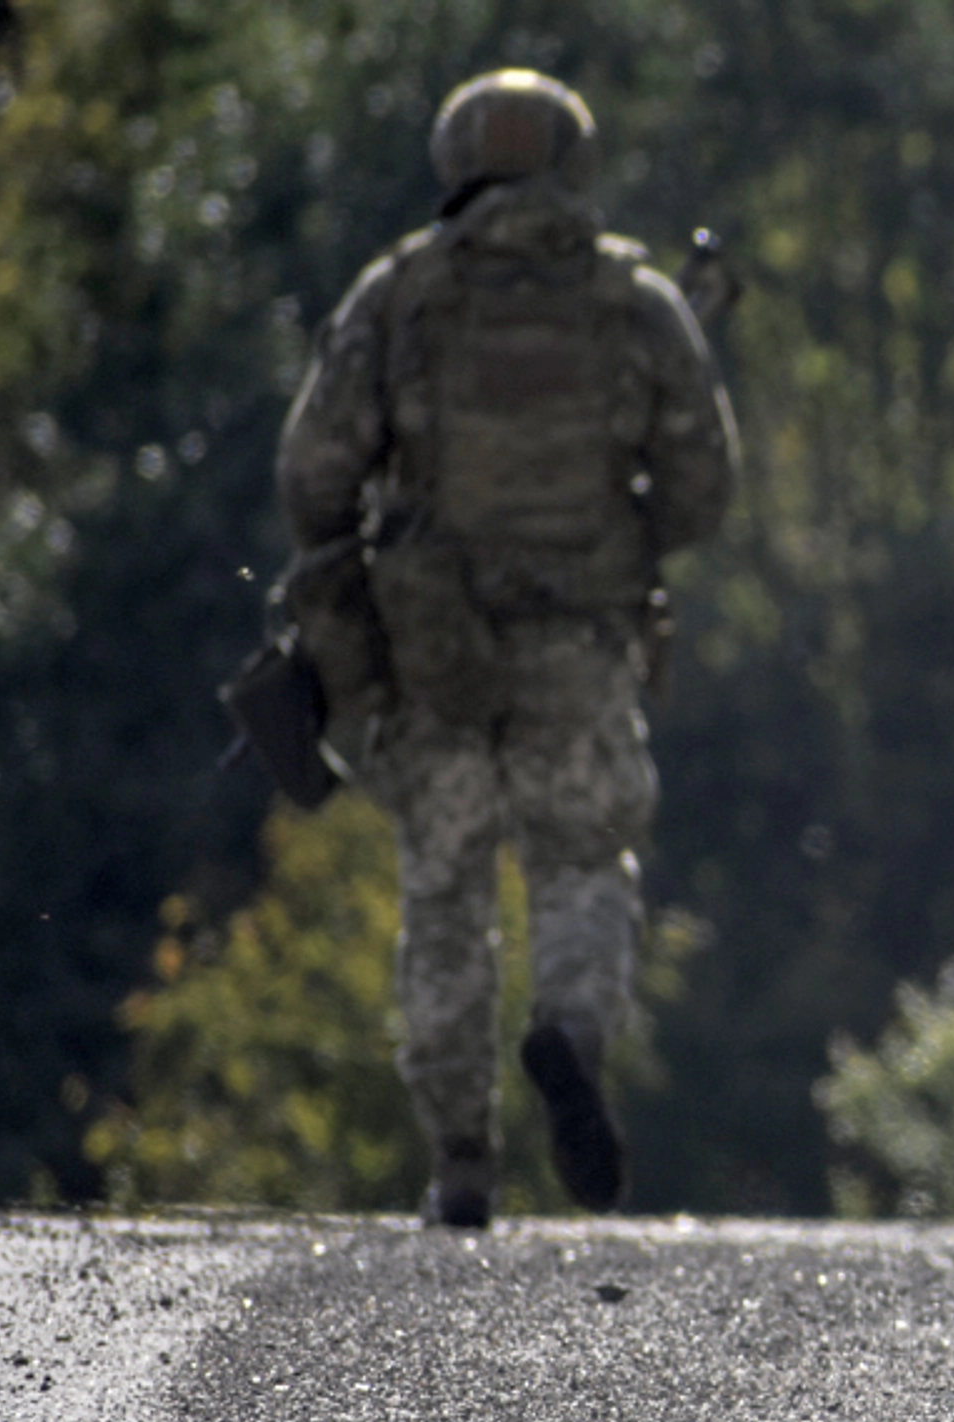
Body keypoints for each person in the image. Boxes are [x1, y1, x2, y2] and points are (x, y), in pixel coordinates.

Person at [273, 68, 738, 1228]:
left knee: (443, 895)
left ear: (454, 163)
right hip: (580, 644)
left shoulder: (401, 294)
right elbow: (703, 490)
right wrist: (617, 525)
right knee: (582, 863)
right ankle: (569, 1029)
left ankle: (461, 1163)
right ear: (570, 163)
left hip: (430, 651)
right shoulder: (634, 299)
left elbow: (309, 475)